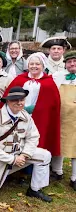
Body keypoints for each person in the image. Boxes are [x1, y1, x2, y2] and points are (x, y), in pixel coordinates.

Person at [0, 87, 52, 202]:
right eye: (15, 100)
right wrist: (12, 159)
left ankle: (35, 189)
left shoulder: (25, 116)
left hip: (19, 154)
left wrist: (24, 155)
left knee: (45, 155)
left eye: (22, 100)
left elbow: (33, 137)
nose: (19, 103)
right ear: (7, 101)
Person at [0, 53, 61, 170]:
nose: (34, 66)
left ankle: (32, 167)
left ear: (43, 65)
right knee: (17, 137)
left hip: (40, 117)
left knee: (36, 139)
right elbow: (8, 97)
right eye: (31, 64)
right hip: (18, 114)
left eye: (37, 64)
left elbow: (53, 103)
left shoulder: (49, 82)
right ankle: (16, 165)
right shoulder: (19, 79)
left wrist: (39, 109)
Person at [52, 51, 76, 189]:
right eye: (69, 62)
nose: (72, 64)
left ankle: (75, 177)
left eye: (74, 61)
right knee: (59, 142)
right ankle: (57, 171)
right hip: (61, 116)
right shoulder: (57, 76)